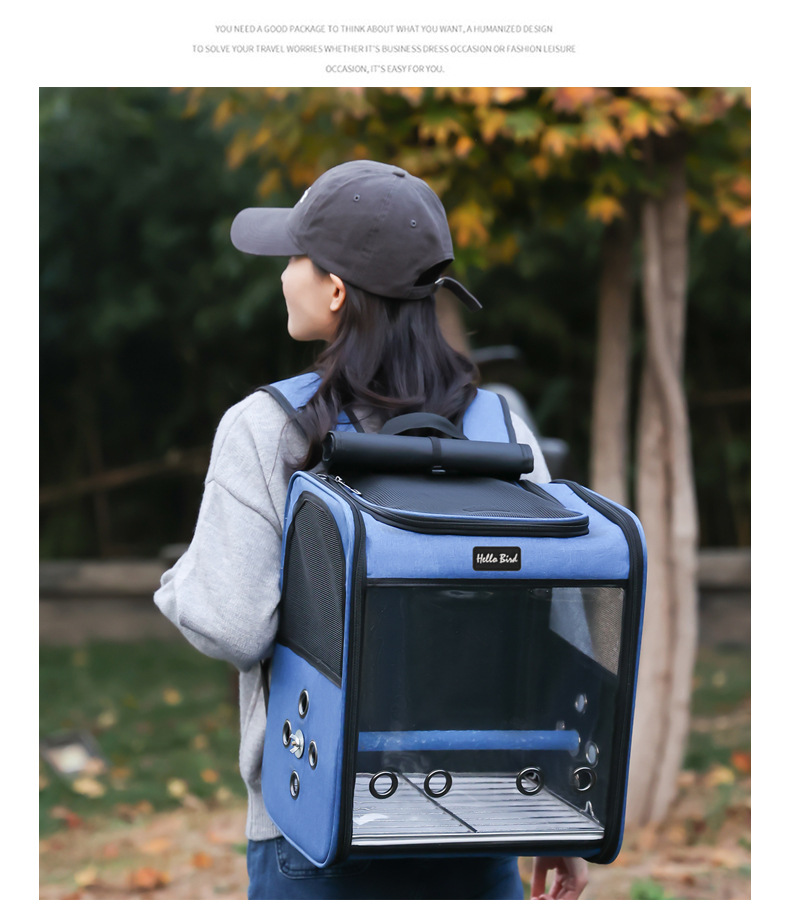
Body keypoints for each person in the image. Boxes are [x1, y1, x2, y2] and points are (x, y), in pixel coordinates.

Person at [154, 159, 589, 900]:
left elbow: (231, 626)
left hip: (313, 823)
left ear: (335, 289)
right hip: (480, 810)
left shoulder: (268, 428)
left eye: (294, 257)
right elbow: (558, 628)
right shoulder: (500, 431)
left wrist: (178, 584)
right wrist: (561, 819)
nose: (282, 275)